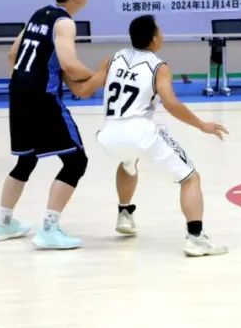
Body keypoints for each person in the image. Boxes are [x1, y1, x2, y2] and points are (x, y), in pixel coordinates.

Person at [0, 0, 108, 249]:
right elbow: (69, 63)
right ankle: (49, 229)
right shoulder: (64, 22)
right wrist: (98, 76)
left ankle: (2, 222)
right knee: (76, 161)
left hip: (18, 91)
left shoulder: (39, 14)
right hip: (42, 95)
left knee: (26, 160)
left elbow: (13, 54)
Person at [95, 15, 230, 256]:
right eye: (160, 31)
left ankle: (124, 213)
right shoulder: (159, 66)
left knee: (128, 162)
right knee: (190, 178)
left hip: (108, 134)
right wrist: (201, 125)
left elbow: (84, 88)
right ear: (154, 39)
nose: (163, 35)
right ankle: (196, 239)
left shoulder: (112, 58)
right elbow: (171, 104)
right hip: (140, 131)